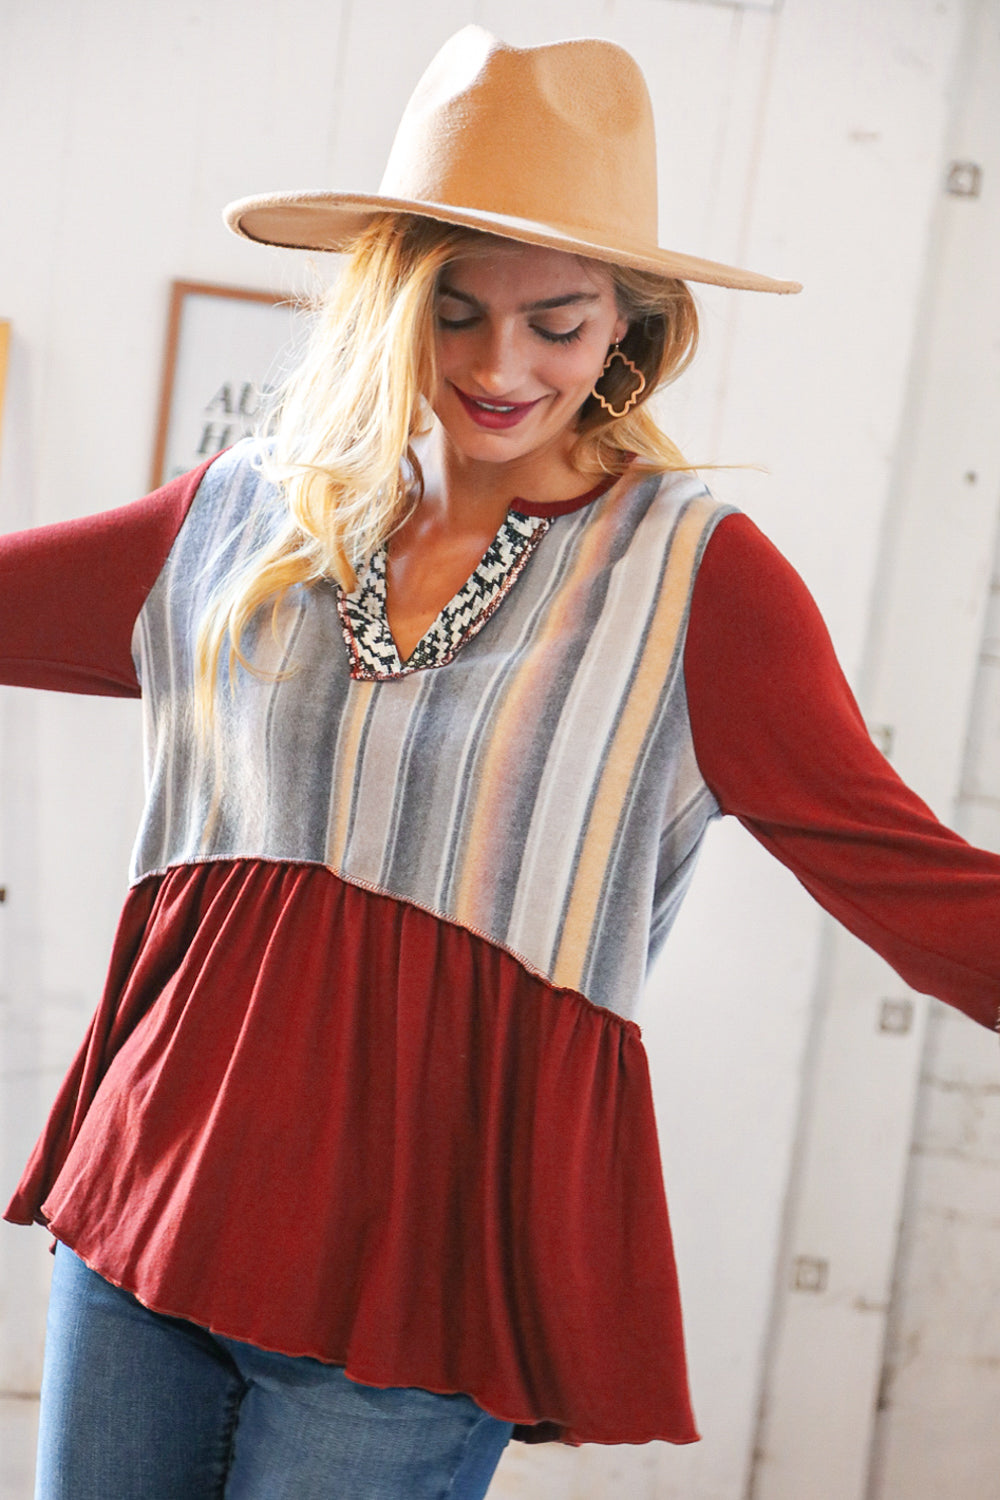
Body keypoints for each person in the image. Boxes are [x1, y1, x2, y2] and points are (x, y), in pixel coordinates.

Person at [2, 24, 998, 1500]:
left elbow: (909, 876)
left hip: (417, 1275)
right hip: (151, 1200)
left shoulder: (696, 578)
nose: (498, 365)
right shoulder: (245, 513)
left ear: (629, 330)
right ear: (388, 299)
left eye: (558, 321)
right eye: (453, 310)